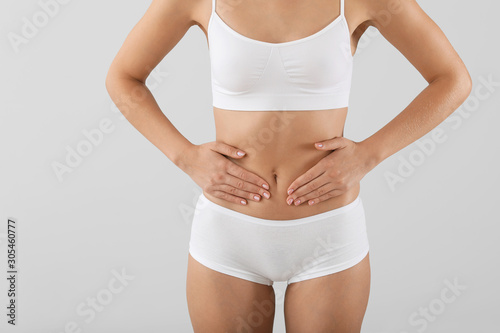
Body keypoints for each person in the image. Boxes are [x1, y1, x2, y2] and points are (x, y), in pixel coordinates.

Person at [105, 0, 472, 331]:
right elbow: (123, 77)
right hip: (229, 231)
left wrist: (368, 154)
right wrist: (185, 157)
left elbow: (453, 80)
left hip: (327, 233)